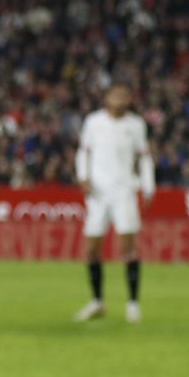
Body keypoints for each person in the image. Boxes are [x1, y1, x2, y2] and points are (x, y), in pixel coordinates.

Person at [73, 84, 155, 324]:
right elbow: (83, 152)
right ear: (107, 98)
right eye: (115, 95)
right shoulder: (93, 122)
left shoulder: (136, 125)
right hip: (98, 193)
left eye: (124, 96)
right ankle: (97, 301)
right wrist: (83, 177)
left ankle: (133, 304)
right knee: (91, 248)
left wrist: (148, 187)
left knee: (127, 247)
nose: (120, 100)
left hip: (124, 191)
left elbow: (144, 157)